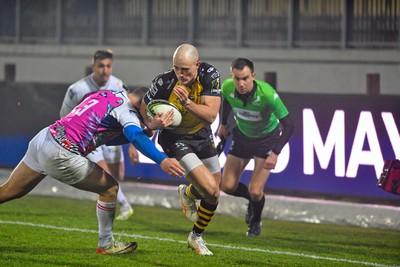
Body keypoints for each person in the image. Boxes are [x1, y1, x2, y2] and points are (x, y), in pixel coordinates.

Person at [0, 88, 185, 254]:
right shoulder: (128, 112)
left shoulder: (111, 93)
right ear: (143, 103)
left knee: (8, 191)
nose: (155, 117)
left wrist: (147, 128)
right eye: (154, 113)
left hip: (45, 138)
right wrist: (162, 160)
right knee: (110, 189)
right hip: (62, 152)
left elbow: (106, 137)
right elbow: (135, 136)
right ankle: (106, 244)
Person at [139, 44, 221, 256]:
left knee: (213, 195)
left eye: (185, 69)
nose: (180, 74)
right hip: (175, 138)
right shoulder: (164, 82)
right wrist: (152, 123)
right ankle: (197, 236)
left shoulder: (210, 75)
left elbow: (211, 115)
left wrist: (187, 102)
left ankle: (187, 197)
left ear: (197, 64)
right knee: (210, 189)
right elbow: (143, 106)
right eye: (177, 68)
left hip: (202, 133)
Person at [217, 58, 294, 237]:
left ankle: (255, 222)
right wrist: (223, 123)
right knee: (227, 186)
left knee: (256, 190)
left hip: (266, 140)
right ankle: (251, 202)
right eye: (237, 78)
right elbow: (227, 100)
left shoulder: (267, 94)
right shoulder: (227, 87)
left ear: (253, 76)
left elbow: (290, 125)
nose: (241, 83)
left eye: (245, 78)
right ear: (232, 77)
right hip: (243, 137)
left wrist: (275, 153)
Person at [59, 49, 137, 220]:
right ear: (93, 66)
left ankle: (113, 201)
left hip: (110, 137)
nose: (105, 70)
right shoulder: (77, 89)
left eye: (108, 66)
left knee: (118, 175)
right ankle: (125, 206)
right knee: (105, 174)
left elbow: (132, 114)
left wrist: (133, 144)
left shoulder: (118, 86)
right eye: (101, 66)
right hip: (89, 138)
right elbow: (64, 116)